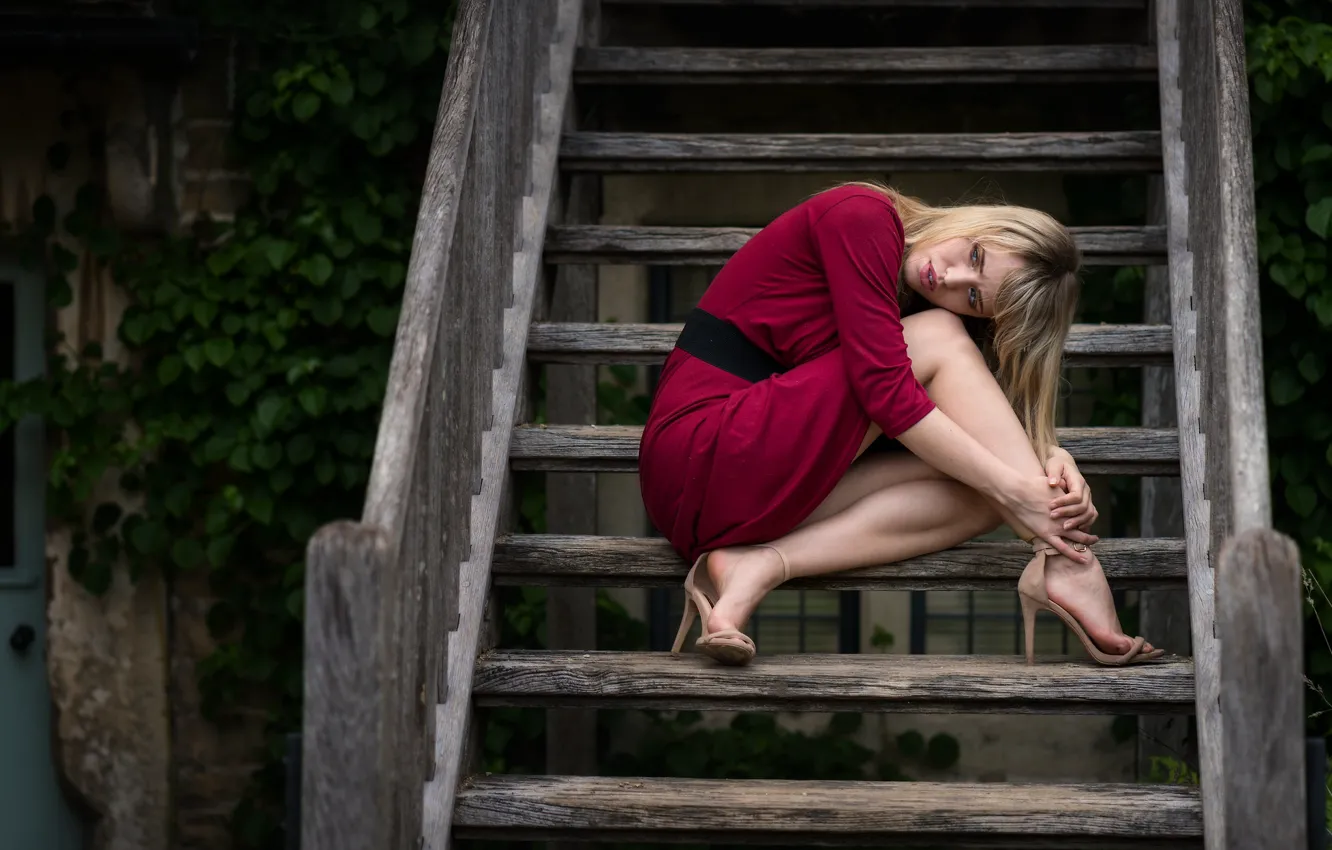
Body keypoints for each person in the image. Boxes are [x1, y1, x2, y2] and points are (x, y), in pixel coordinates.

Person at [638, 182, 1163, 667]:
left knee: (985, 498)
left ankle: (759, 565)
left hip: (736, 503)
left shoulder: (923, 308)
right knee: (956, 383)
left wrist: (1045, 456)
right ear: (979, 221)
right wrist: (1021, 485)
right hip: (697, 452)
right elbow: (885, 394)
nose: (953, 278)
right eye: (974, 255)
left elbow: (958, 425)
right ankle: (1070, 564)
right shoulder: (863, 216)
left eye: (975, 297)